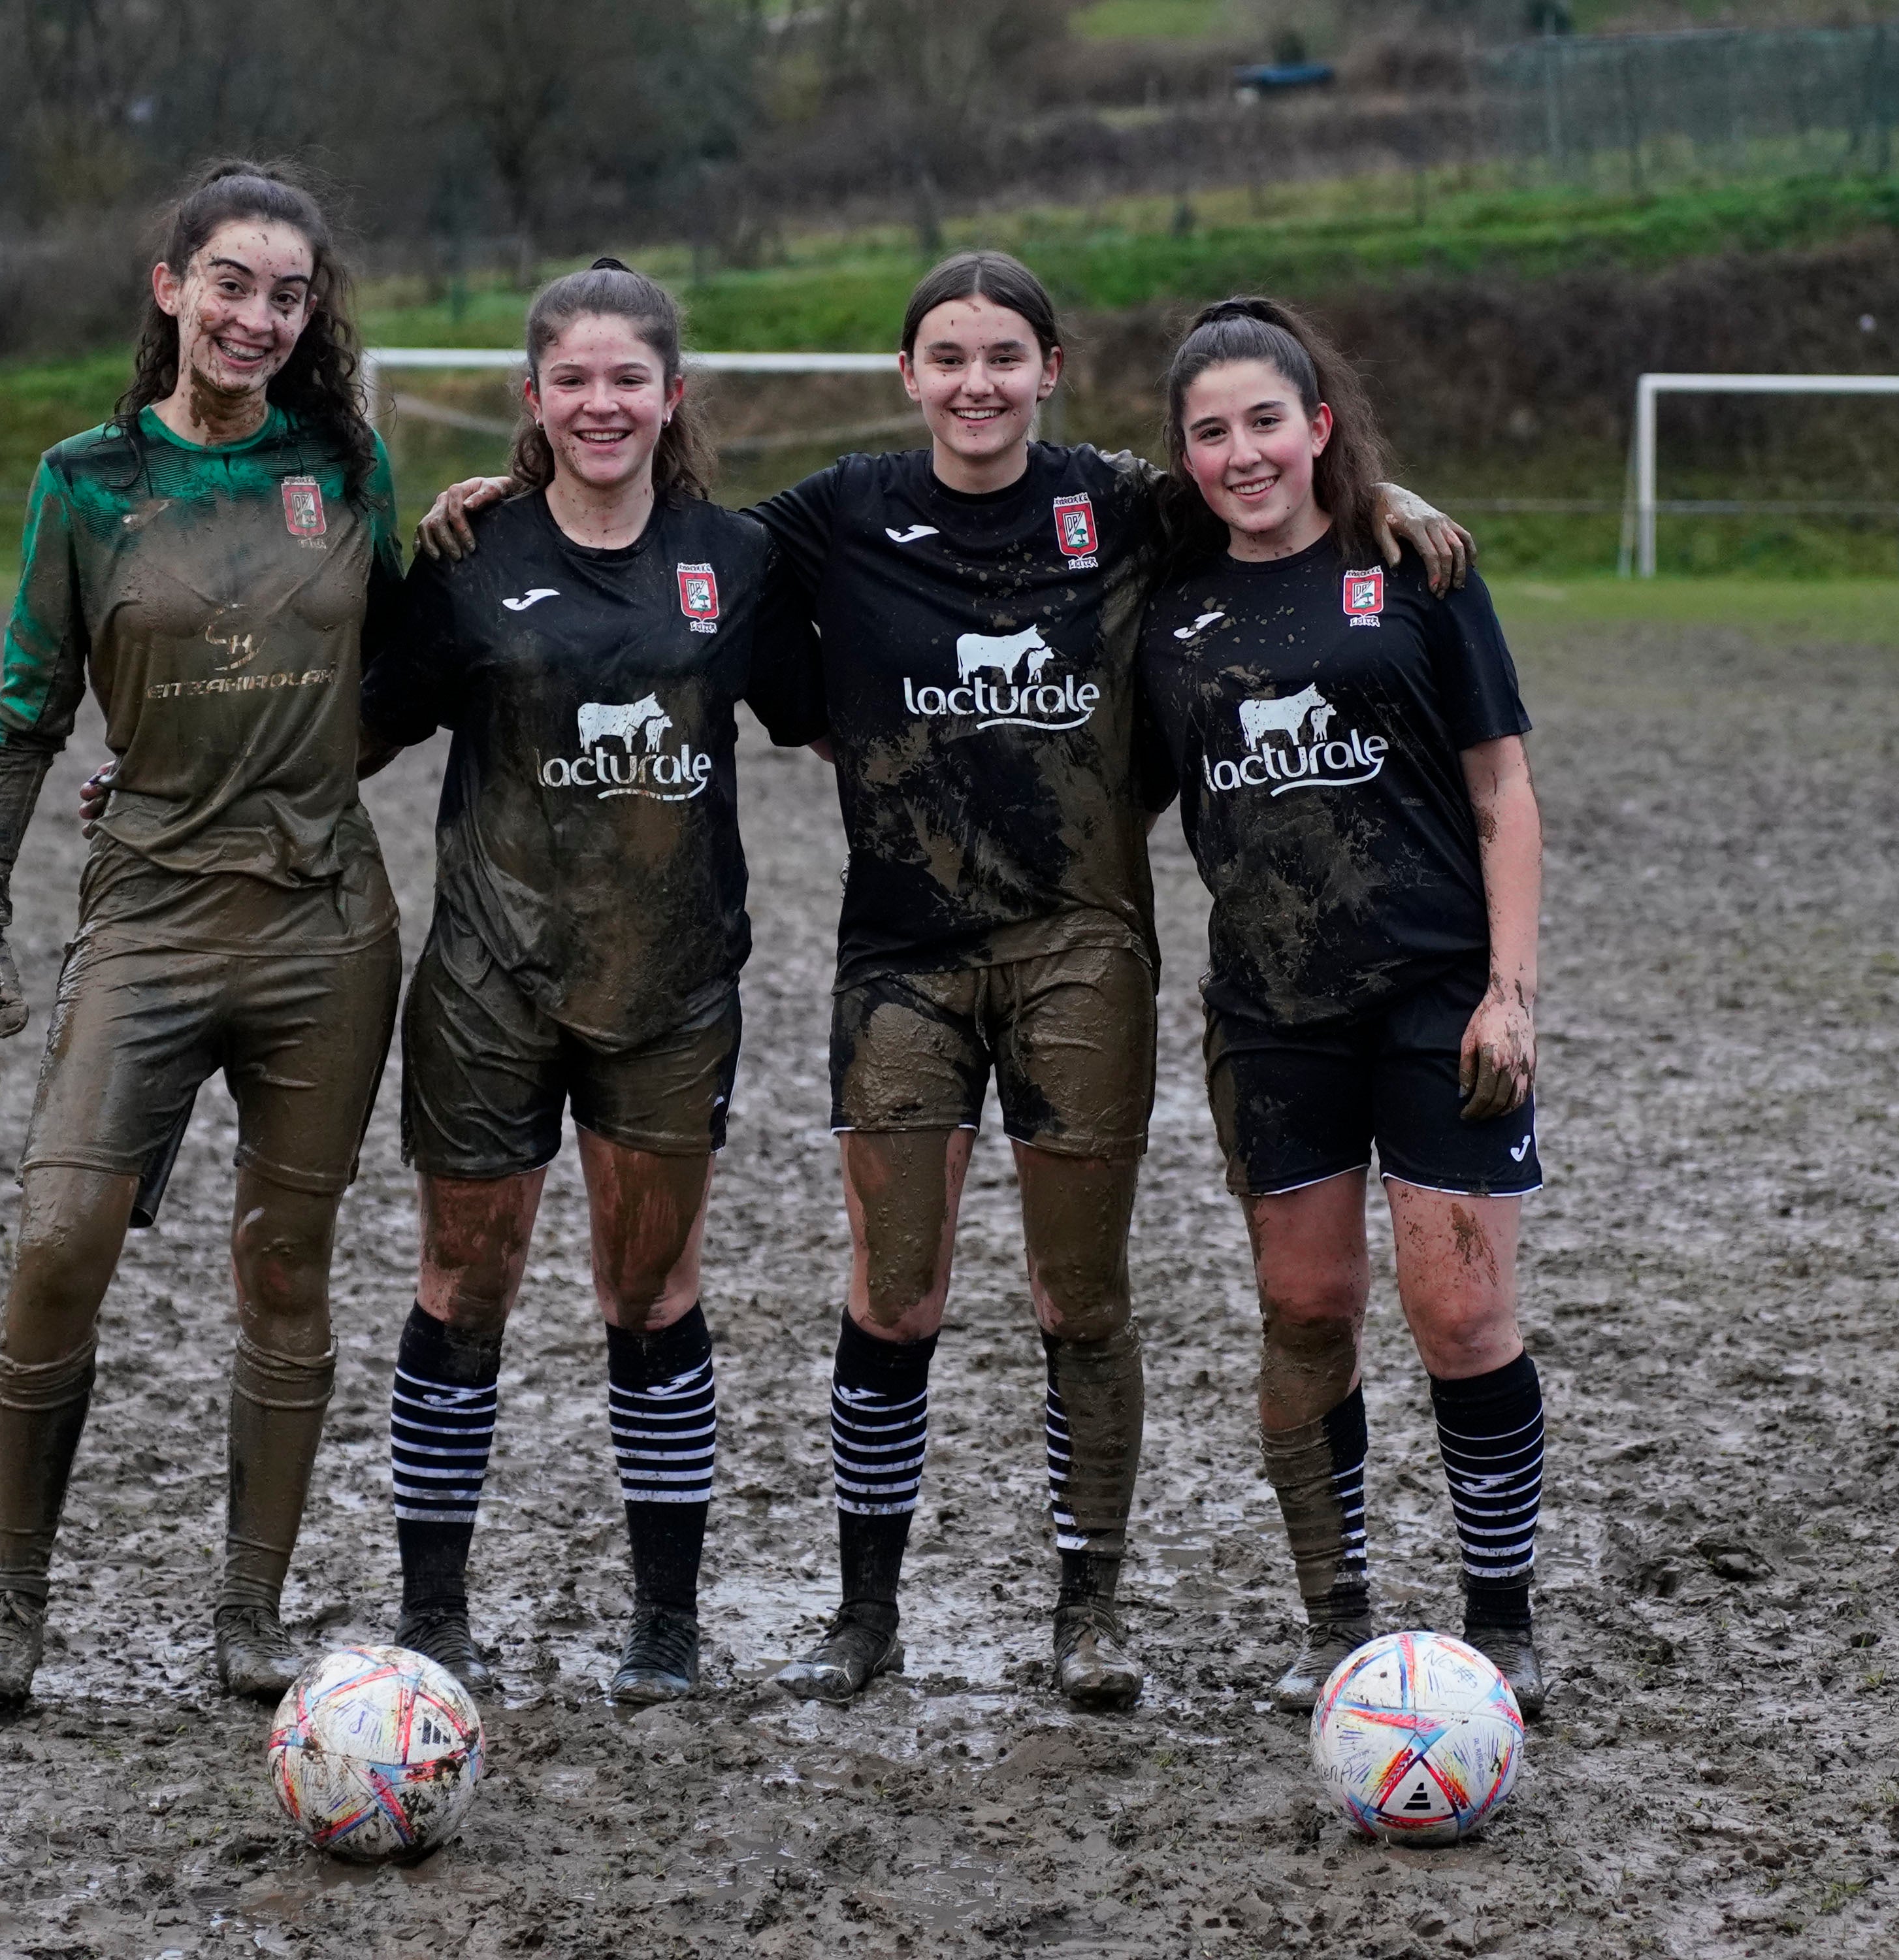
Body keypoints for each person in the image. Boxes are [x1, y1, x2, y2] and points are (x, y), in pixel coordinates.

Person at [419, 250, 1472, 1712]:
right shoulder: (834, 517)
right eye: (947, 359)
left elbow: (1278, 506)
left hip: (1079, 951)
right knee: (892, 1293)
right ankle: (865, 1617)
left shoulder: (1125, 504)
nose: (976, 384)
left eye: (1004, 358)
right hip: (901, 958)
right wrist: (489, 498)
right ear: (905, 376)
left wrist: (1388, 504)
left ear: (1048, 372)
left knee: (1077, 1295)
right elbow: (648, 530)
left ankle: (1086, 1611)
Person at [0, 161, 407, 1707]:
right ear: (171, 288)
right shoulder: (84, 481)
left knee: (284, 1265)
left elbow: (392, 687)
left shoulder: (347, 466)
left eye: (287, 294)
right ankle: (12, 1608)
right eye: (231, 283)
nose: (258, 317)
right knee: (60, 1241)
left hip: (324, 930)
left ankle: (249, 1620)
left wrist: (470, 540)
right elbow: (25, 716)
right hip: (144, 917)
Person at [341, 259, 803, 1707]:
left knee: (651, 1292)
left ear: (673, 397)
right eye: (572, 380)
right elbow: (346, 732)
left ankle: (663, 1625)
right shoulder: (468, 562)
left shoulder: (739, 561)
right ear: (531, 401)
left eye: (628, 379)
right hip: (490, 983)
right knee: (460, 1287)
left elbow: (862, 706)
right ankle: (434, 1617)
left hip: (670, 989)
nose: (601, 404)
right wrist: (166, 773)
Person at [1131, 296, 1549, 1714]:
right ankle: (1338, 1623)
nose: (1242, 453)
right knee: (1307, 1309)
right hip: (1270, 1014)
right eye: (1210, 433)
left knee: (1460, 1315)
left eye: (1266, 421)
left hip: (1438, 998)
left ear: (1317, 426)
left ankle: (1503, 1628)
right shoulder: (1166, 609)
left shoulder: (1414, 567)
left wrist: (1509, 991)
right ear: (1182, 456)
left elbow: (1502, 789)